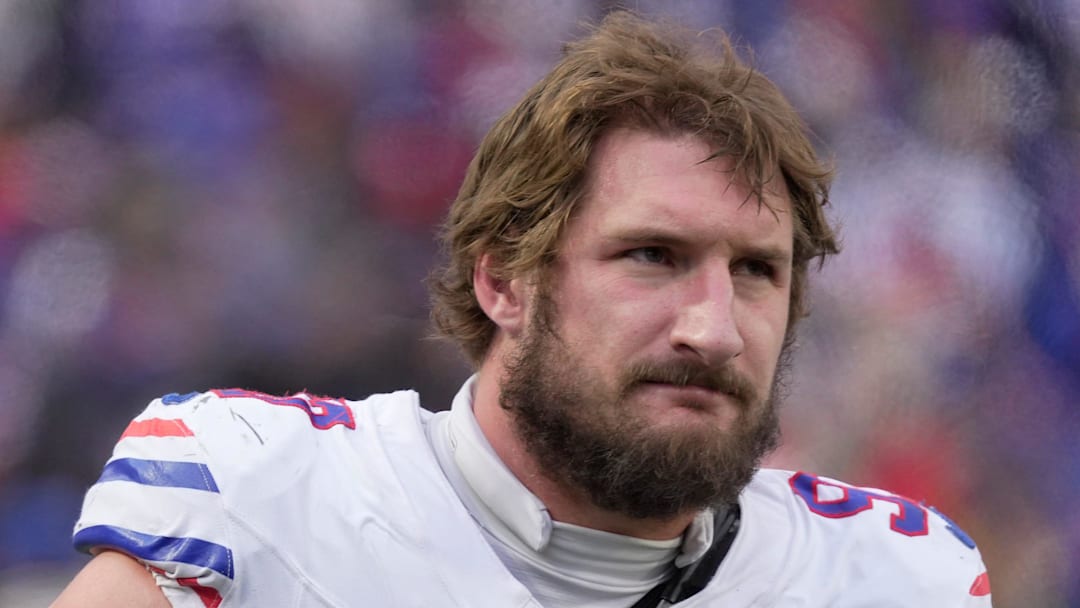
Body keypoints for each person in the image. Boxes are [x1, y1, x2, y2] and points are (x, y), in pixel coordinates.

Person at [52, 10, 991, 607]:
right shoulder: (259, 497)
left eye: (756, 271)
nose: (712, 326)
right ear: (503, 281)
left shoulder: (896, 577)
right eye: (651, 257)